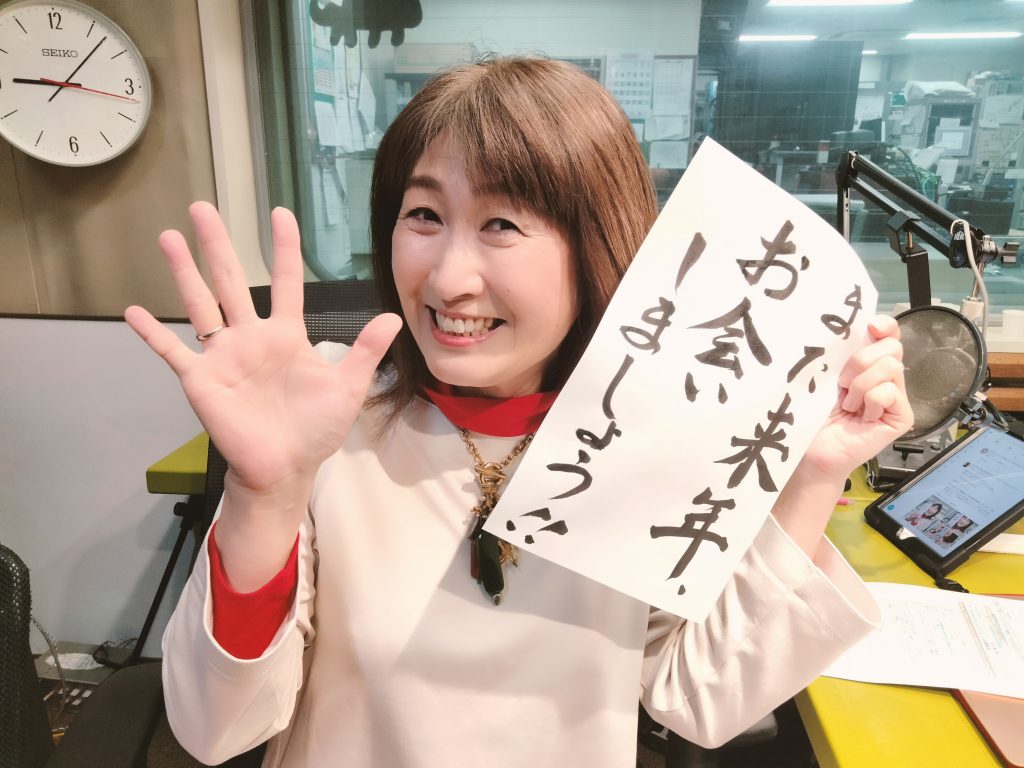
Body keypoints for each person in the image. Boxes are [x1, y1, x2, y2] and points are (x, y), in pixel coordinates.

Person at [124, 57, 912, 768]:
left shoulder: (658, 432)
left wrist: (813, 475)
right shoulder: (328, 420)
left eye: (501, 224)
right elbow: (217, 727)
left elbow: (699, 698)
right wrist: (264, 497)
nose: (448, 279)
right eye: (424, 215)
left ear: (597, 246)